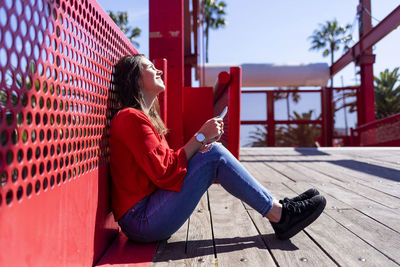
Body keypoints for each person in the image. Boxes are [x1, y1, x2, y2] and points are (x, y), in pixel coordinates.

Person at [109, 54, 326, 243]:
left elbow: (164, 166)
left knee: (209, 151)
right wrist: (201, 136)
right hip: (142, 220)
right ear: (136, 78)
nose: (157, 70)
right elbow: (165, 171)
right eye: (149, 67)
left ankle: (277, 206)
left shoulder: (141, 118)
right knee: (213, 155)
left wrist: (203, 142)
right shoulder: (130, 118)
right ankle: (280, 215)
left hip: (147, 212)